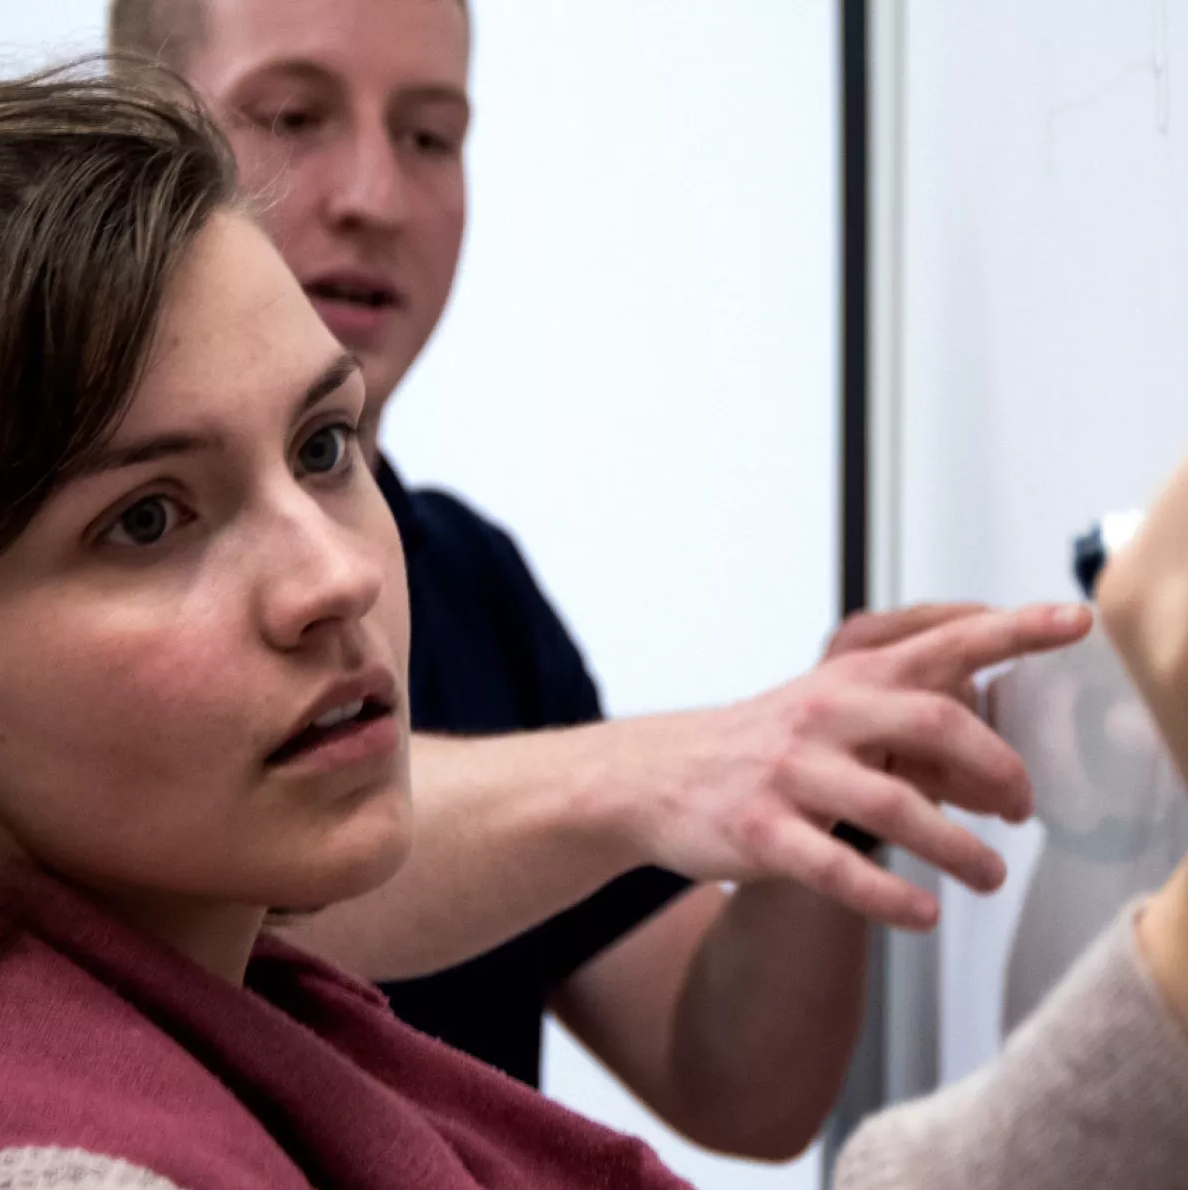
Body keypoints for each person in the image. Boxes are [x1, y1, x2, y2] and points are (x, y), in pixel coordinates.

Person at [0, 64, 1188, 1190]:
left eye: (326, 446)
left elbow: (735, 1072)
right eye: (146, 517)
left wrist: (845, 790)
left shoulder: (247, 994)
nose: (329, 572)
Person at [70, 0, 1071, 1158]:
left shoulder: (477, 582)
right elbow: (188, 868)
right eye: (295, 115)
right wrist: (660, 769)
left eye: (432, 135)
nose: (374, 197)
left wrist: (832, 782)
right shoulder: (63, 580)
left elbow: (738, 1082)